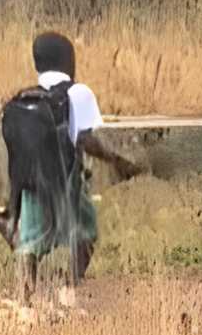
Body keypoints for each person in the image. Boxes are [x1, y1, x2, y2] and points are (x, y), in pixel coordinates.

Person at [10, 32, 142, 305]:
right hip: (66, 178)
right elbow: (85, 139)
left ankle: (24, 305)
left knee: (31, 244)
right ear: (68, 60)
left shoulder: (23, 99)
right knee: (86, 232)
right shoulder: (78, 93)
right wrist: (118, 162)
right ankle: (68, 289)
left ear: (38, 65)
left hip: (32, 182)